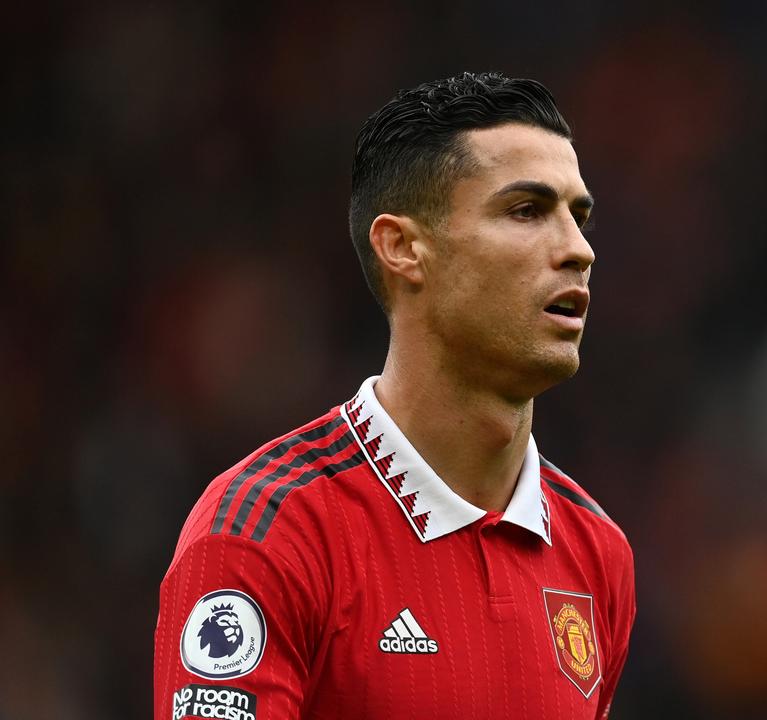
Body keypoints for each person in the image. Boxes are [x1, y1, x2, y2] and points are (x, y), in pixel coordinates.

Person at [154, 72, 635, 720]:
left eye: (578, 217)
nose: (578, 250)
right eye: (526, 210)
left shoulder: (597, 551)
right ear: (405, 248)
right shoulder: (266, 535)